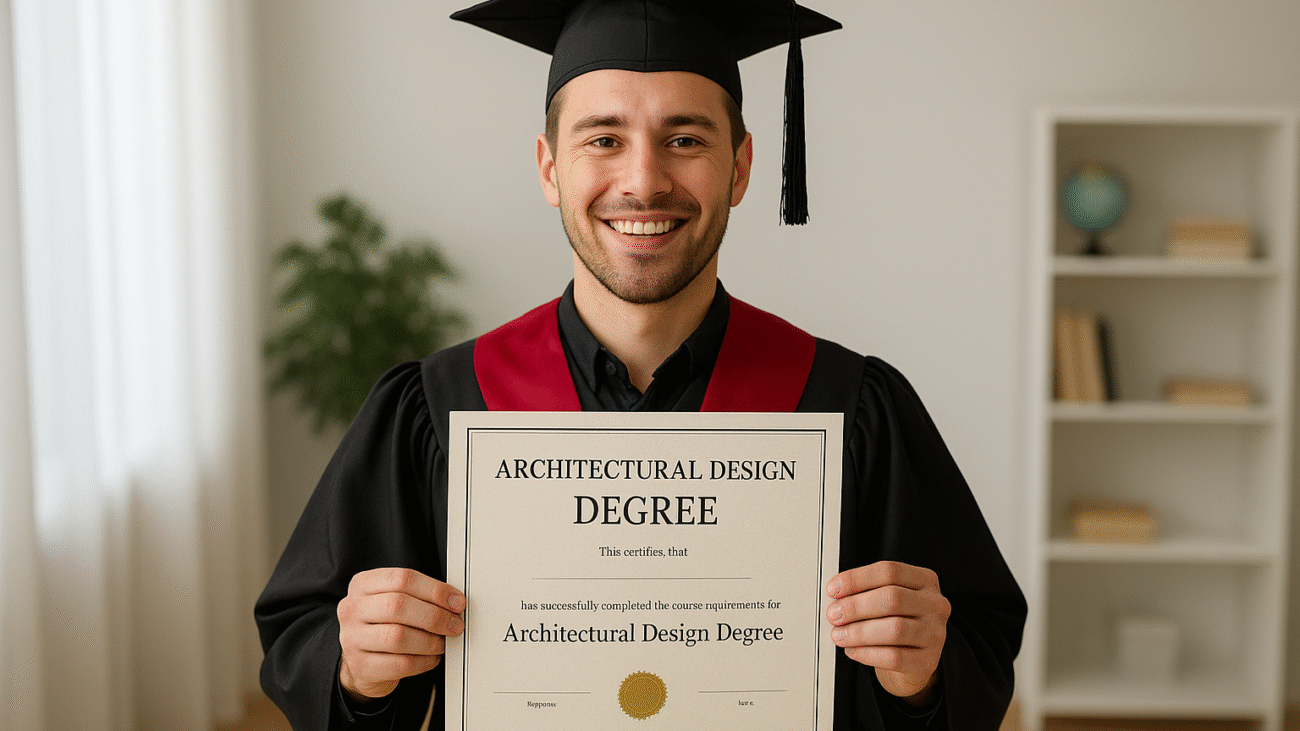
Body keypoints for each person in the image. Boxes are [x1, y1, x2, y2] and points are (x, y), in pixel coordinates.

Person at [255, 1, 1027, 729]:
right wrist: (358, 665)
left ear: (742, 167)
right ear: (550, 167)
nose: (644, 180)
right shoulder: (443, 407)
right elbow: (303, 648)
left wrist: (922, 672)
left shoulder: (847, 406)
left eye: (685, 139)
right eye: (603, 138)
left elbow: (978, 652)